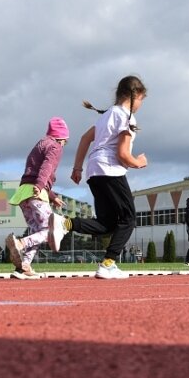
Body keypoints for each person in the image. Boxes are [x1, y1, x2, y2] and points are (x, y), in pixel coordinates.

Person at [51, 75, 148, 279]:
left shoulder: (106, 115)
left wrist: (77, 167)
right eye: (142, 100)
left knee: (108, 224)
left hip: (94, 171)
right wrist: (138, 162)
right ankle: (108, 263)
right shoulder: (126, 116)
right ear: (136, 95)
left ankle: (65, 224)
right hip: (110, 170)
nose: (141, 105)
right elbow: (122, 154)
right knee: (129, 219)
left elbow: (85, 138)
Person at [5, 117, 70, 279]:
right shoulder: (55, 146)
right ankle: (20, 243)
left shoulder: (40, 144)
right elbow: (46, 167)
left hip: (24, 194)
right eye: (65, 142)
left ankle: (24, 267)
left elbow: (33, 169)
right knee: (49, 231)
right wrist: (41, 185)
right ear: (61, 137)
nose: (64, 146)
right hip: (37, 192)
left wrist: (53, 196)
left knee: (37, 232)